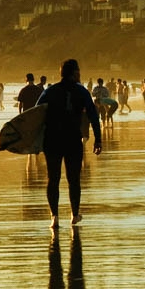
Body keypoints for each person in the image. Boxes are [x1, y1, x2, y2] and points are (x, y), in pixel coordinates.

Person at [36, 59, 102, 229]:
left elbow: (35, 115)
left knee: (53, 178)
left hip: (52, 140)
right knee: (74, 179)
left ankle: (54, 217)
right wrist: (98, 139)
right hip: (72, 139)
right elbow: (94, 116)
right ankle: (74, 214)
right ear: (74, 73)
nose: (80, 74)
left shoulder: (50, 91)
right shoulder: (82, 91)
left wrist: (34, 142)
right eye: (78, 71)